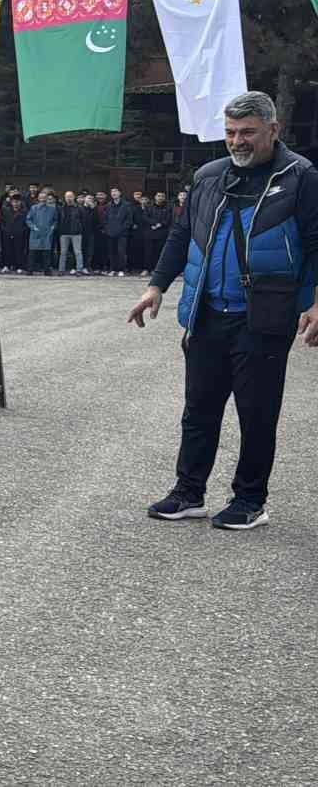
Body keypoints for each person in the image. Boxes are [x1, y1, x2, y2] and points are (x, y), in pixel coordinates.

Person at [128, 91, 318, 530]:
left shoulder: (301, 177)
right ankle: (188, 492)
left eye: (248, 132)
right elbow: (181, 236)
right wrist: (156, 286)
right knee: (199, 409)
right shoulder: (208, 175)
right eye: (231, 132)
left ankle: (250, 500)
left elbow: (315, 243)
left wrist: (314, 300)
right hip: (206, 311)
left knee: (256, 412)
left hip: (264, 315)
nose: (238, 141)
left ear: (274, 130)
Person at [26, 191, 57, 275]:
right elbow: (28, 219)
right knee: (32, 253)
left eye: (44, 198)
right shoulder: (33, 208)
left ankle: (47, 270)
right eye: (41, 198)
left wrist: (52, 227)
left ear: (47, 199)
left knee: (46, 253)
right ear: (38, 199)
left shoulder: (52, 209)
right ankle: (30, 270)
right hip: (35, 233)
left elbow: (55, 220)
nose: (43, 199)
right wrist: (33, 227)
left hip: (47, 233)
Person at [143, 191, 171, 274]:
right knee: (148, 252)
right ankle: (147, 269)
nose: (160, 197)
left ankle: (156, 270)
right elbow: (145, 217)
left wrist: (159, 224)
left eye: (162, 196)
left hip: (162, 233)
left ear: (164, 198)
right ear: (155, 197)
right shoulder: (148, 206)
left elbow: (168, 219)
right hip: (150, 232)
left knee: (159, 252)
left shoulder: (168, 207)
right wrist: (154, 223)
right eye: (158, 196)